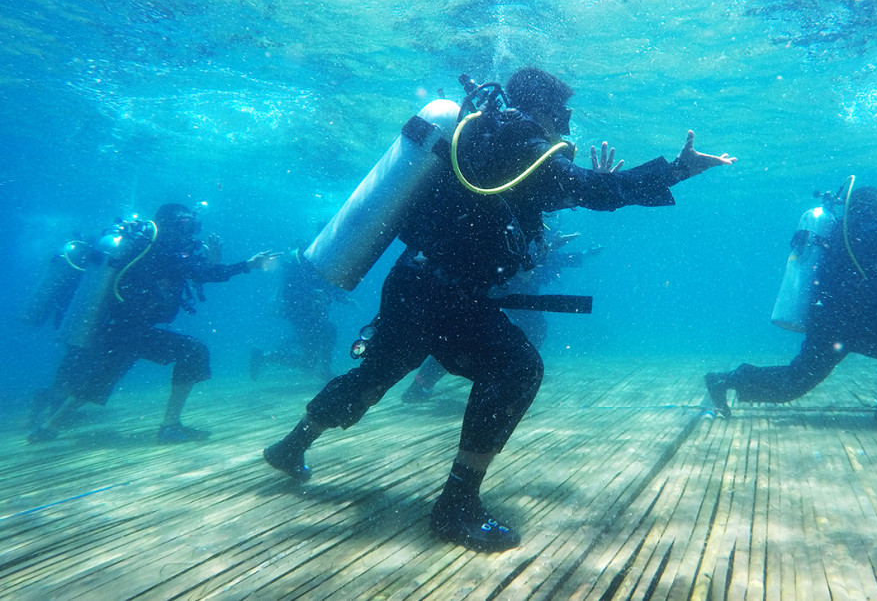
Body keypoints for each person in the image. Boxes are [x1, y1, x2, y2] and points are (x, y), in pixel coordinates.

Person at [262, 67, 735, 553]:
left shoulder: (484, 141)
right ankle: (456, 506)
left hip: (413, 280)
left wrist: (593, 185)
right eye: (566, 113)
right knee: (517, 369)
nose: (569, 125)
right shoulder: (523, 145)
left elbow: (553, 195)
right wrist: (679, 168)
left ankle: (293, 444)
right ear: (546, 110)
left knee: (378, 370)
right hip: (446, 294)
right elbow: (593, 193)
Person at [704, 186, 877, 426]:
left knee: (795, 381)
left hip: (840, 321)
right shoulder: (867, 233)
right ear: (869, 207)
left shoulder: (848, 231)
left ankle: (725, 380)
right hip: (847, 323)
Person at [27, 203, 275, 444]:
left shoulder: (150, 247)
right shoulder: (163, 251)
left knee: (103, 375)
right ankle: (169, 425)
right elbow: (204, 274)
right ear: (169, 224)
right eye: (186, 225)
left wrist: (228, 263)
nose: (191, 232)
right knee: (192, 351)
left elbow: (201, 272)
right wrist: (248, 265)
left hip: (121, 327)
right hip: (128, 328)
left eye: (193, 225)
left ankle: (49, 428)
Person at [401, 228, 602, 403]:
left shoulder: (527, 223)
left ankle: (426, 384)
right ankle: (503, 375)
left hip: (504, 291)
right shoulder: (520, 221)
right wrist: (550, 248)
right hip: (502, 289)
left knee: (469, 337)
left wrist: (582, 254)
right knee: (470, 337)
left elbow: (545, 260)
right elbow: (521, 257)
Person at [250, 247, 349, 381]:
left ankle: (324, 369)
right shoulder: (298, 263)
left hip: (312, 315)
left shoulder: (315, 262)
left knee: (328, 333)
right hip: (302, 316)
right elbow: (290, 291)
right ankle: (263, 356)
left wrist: (344, 299)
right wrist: (311, 293)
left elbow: (326, 286)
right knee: (310, 360)